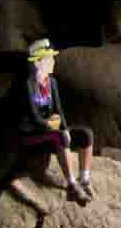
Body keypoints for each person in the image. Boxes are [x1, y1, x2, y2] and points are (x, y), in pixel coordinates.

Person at [21, 38, 94, 202]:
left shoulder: (51, 82)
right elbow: (34, 118)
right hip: (31, 136)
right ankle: (72, 185)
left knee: (86, 134)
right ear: (38, 62)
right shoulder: (27, 85)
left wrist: (65, 128)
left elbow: (58, 110)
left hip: (51, 131)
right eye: (49, 58)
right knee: (59, 137)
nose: (53, 61)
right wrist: (55, 128)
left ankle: (84, 179)